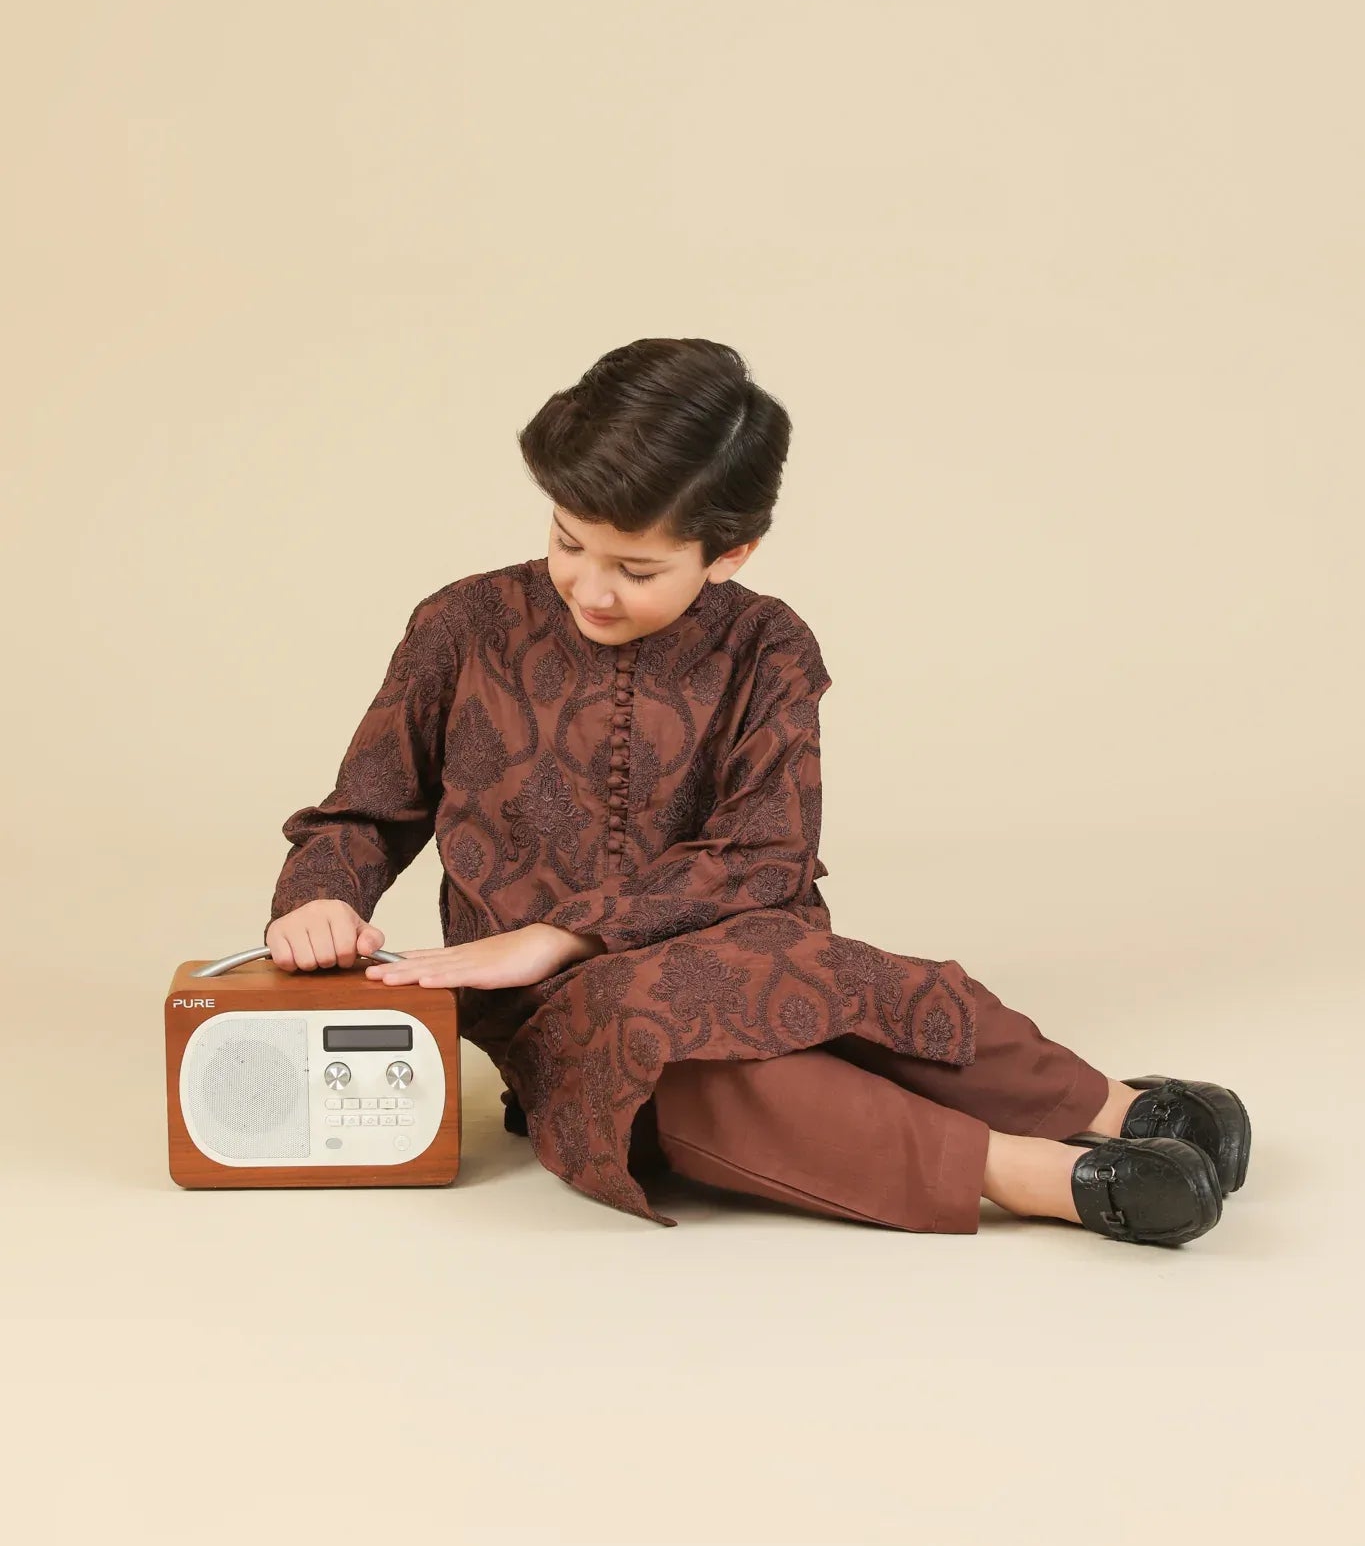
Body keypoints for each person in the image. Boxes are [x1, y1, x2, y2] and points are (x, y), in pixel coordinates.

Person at [262, 337, 1250, 1245]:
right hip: (562, 1014)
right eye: (568, 541)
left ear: (730, 552)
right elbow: (366, 805)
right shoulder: (463, 623)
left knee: (866, 981)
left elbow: (767, 853)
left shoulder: (766, 642)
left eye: (636, 566)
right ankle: (1046, 1176)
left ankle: (1115, 1108)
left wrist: (559, 927)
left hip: (741, 954)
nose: (590, 588)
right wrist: (322, 894)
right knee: (702, 1070)